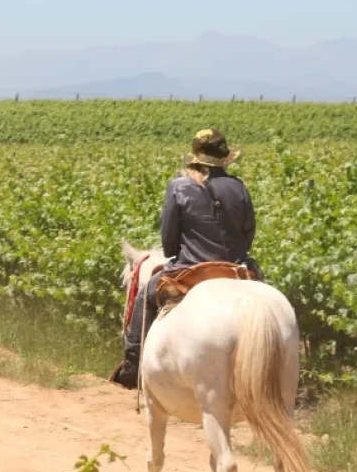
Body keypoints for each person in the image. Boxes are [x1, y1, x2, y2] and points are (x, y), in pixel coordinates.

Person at [111, 128, 258, 389]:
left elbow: (169, 241)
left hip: (191, 268)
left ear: (195, 158)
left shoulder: (179, 186)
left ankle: (132, 366)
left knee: (145, 295)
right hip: (236, 268)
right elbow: (248, 234)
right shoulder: (239, 188)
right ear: (224, 159)